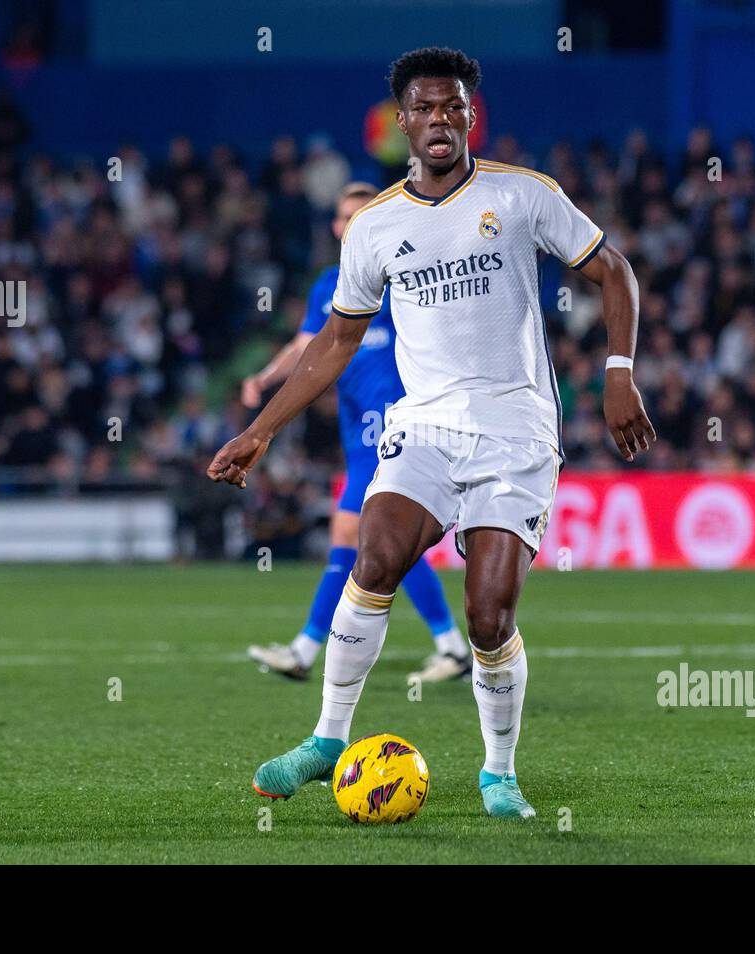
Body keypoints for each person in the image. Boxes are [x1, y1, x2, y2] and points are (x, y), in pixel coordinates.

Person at [208, 47, 655, 819]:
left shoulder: (523, 196)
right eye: (424, 108)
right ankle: (325, 740)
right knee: (374, 555)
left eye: (453, 106)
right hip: (425, 425)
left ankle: (499, 772)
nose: (440, 119)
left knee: (490, 616)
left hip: (516, 430)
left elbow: (612, 269)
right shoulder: (376, 226)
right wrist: (262, 428)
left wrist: (619, 371)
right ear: (402, 123)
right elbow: (335, 342)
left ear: (471, 115)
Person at [242, 182, 469, 683]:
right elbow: (308, 344)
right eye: (344, 217)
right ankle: (450, 644)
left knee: (356, 532)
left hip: (392, 422)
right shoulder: (329, 283)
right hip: (355, 424)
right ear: (336, 226)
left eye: (360, 214)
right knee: (376, 539)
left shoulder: (402, 271)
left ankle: (305, 651)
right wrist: (265, 377)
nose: (351, 224)